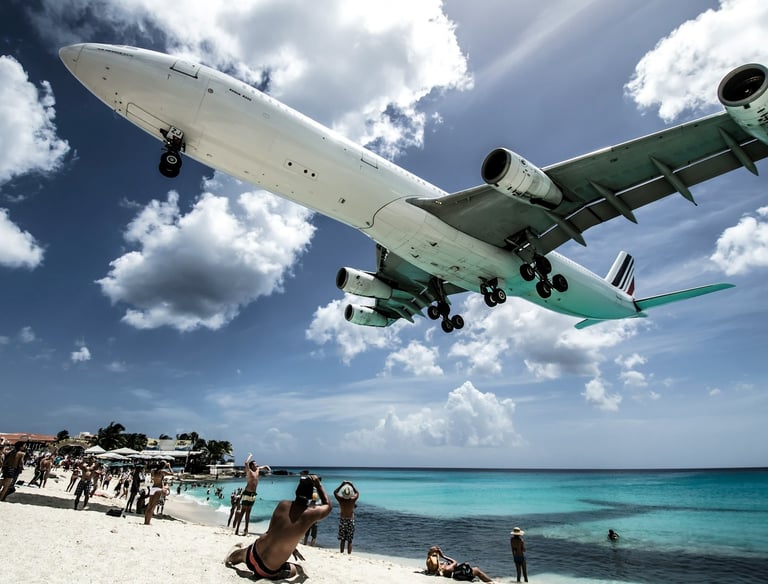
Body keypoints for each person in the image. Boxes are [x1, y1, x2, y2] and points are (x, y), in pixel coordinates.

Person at [225, 473, 332, 580]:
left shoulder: (283, 505)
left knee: (241, 554)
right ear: (310, 496)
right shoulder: (311, 514)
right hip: (267, 570)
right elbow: (328, 505)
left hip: (252, 554)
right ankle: (276, 573)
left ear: (296, 491)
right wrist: (318, 485)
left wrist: (291, 547)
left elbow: (272, 531)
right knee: (296, 569)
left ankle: (232, 557)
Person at [233, 453, 271, 536]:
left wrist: (266, 466)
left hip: (253, 494)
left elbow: (263, 467)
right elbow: (246, 463)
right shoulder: (249, 471)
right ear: (251, 466)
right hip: (247, 493)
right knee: (243, 511)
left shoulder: (257, 470)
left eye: (256, 464)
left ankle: (246, 529)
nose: (257, 465)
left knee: (248, 513)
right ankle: (237, 529)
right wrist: (250, 456)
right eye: (255, 464)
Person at [426, 546, 493, 582]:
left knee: (467, 567)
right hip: (458, 575)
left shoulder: (432, 567)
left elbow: (430, 559)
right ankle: (490, 581)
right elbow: (455, 562)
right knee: (476, 569)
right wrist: (444, 556)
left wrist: (432, 552)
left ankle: (481, 579)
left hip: (456, 574)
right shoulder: (446, 568)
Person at [333, 481, 359, 554]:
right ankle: (349, 554)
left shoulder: (341, 500)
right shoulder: (353, 500)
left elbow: (335, 492)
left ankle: (341, 553)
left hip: (343, 520)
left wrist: (341, 485)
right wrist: (352, 485)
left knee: (342, 539)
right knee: (350, 540)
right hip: (350, 520)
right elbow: (357, 493)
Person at [144, 460, 173, 525]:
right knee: (153, 507)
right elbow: (172, 473)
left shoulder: (153, 471)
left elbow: (152, 478)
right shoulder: (162, 471)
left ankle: (146, 521)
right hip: (158, 489)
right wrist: (169, 467)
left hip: (153, 488)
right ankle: (148, 522)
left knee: (149, 506)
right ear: (164, 465)